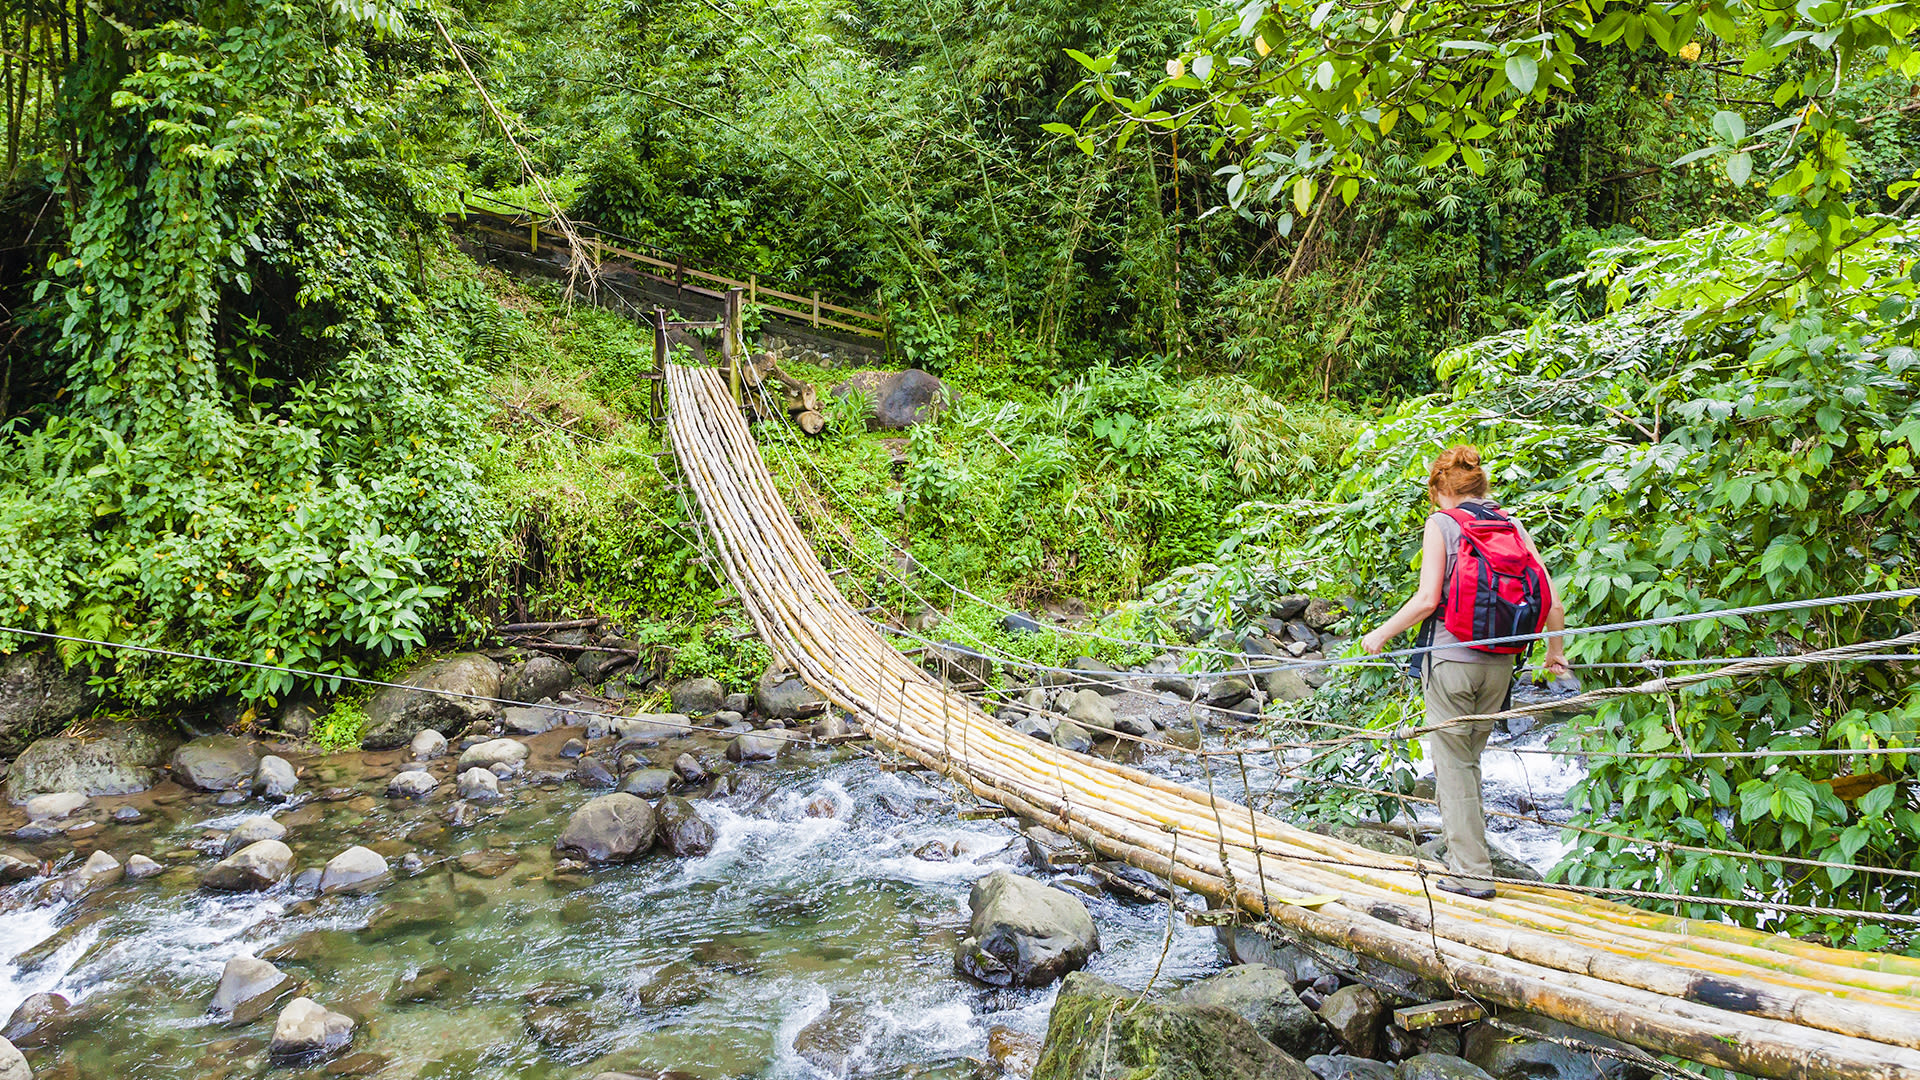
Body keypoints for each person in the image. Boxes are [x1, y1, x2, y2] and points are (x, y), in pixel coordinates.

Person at [1359, 445, 1567, 899]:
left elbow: (1427, 600)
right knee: (1469, 761)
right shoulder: (1510, 524)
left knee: (1452, 766)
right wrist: (1555, 652)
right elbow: (1549, 594)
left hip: (1451, 660)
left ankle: (1471, 874)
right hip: (1502, 664)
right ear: (1481, 487)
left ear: (1439, 490)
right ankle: (1473, 859)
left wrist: (1380, 634)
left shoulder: (1443, 524)